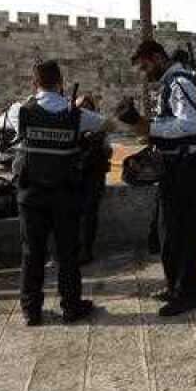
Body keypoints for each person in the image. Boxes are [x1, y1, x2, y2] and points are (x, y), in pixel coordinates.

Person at [4, 60, 104, 326]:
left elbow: (5, 125)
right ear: (61, 82)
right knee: (68, 253)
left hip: (31, 195)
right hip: (65, 194)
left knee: (31, 253)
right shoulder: (76, 114)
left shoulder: (19, 111)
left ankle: (31, 311)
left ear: (34, 83)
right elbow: (106, 124)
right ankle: (71, 306)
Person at [120, 39, 196, 316]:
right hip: (173, 167)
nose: (145, 73)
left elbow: (190, 124)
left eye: (146, 66)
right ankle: (175, 287)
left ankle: (188, 293)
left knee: (182, 232)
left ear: (158, 57)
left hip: (186, 167)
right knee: (167, 230)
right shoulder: (171, 83)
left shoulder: (180, 82)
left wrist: (151, 127)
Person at [75, 95, 112, 266]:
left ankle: (85, 250)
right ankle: (81, 249)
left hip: (92, 174)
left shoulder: (99, 127)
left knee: (88, 213)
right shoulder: (92, 125)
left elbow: (108, 150)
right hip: (82, 174)